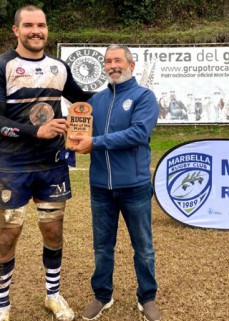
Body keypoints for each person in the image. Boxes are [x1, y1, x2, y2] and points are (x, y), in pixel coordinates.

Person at [0, 5, 92, 321]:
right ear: (16, 30)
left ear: (47, 29)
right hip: (12, 168)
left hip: (52, 164)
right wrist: (36, 130)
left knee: (53, 232)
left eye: (40, 25)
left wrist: (124, 99)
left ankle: (53, 296)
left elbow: (86, 101)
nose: (35, 31)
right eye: (28, 25)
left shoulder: (59, 68)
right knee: (6, 236)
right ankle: (2, 309)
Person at [69, 44, 161, 321]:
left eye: (118, 60)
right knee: (102, 247)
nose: (112, 65)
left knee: (143, 247)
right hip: (100, 187)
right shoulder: (95, 101)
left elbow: (137, 134)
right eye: (108, 61)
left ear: (131, 65)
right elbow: (80, 131)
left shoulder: (144, 97)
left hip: (134, 186)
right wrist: (66, 132)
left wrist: (94, 143)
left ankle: (147, 298)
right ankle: (102, 295)